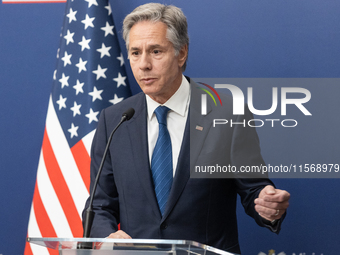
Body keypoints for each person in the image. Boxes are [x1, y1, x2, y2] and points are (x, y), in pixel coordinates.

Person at [83, 3, 290, 254]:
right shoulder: (114, 119)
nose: (143, 64)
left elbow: (253, 189)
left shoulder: (227, 112)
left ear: (181, 53)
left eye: (155, 51)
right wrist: (107, 235)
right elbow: (99, 204)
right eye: (135, 53)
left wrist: (267, 205)